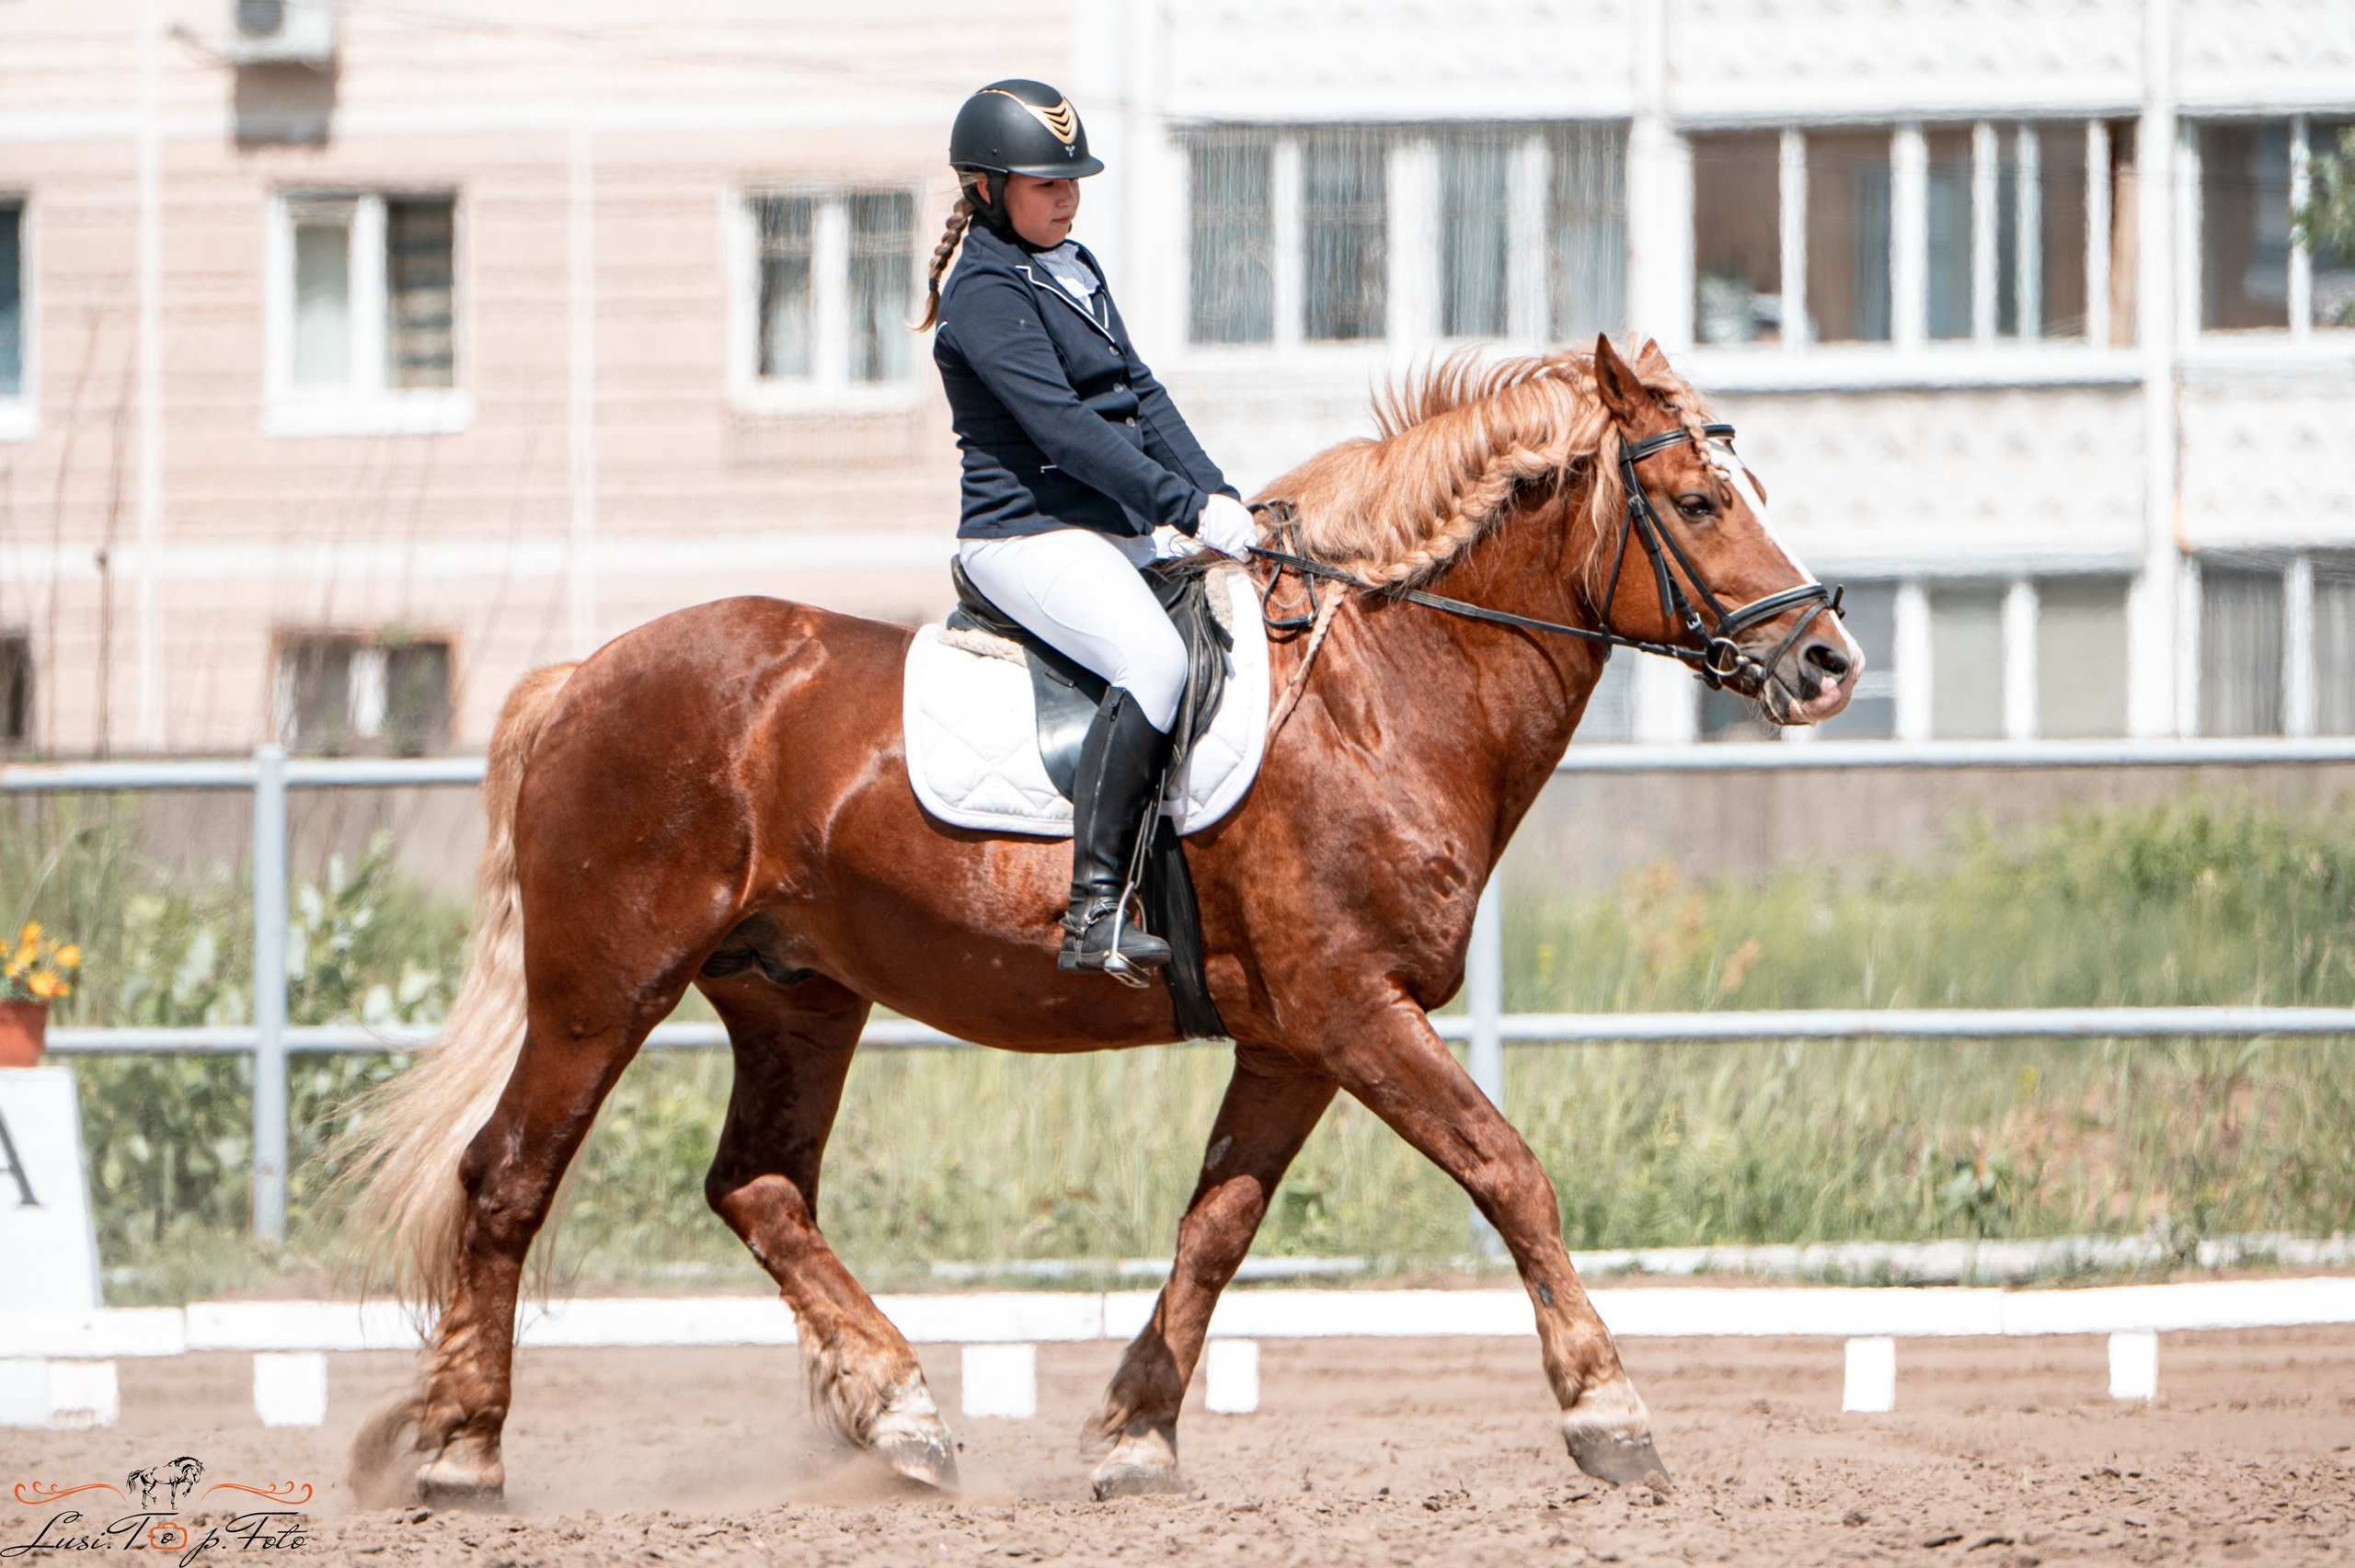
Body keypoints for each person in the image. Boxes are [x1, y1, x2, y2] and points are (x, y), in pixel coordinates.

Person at [918, 79, 1258, 980]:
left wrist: (1219, 493)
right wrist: (1182, 508)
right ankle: (1096, 911)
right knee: (1155, 662)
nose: (1066, 197)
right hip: (1026, 534)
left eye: (1072, 182)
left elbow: (1140, 392)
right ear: (987, 190)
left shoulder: (1075, 265)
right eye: (1044, 184)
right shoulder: (983, 294)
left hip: (1106, 526)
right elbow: (1063, 432)